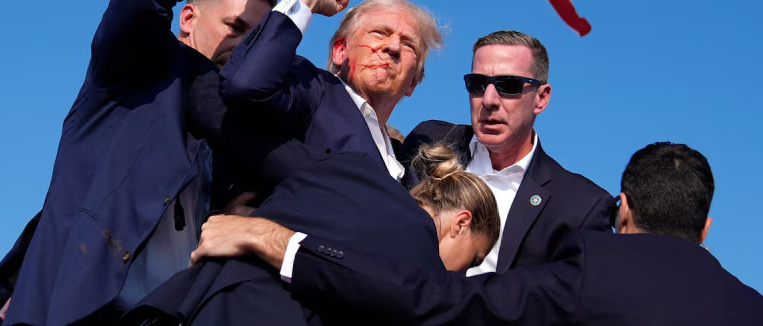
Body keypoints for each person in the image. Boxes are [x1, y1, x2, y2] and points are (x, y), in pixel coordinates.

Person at [0, 0, 351, 325]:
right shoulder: (133, 71)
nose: (244, 46)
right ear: (188, 18)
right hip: (75, 310)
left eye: (255, 39)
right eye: (235, 27)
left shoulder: (239, 128)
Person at [198, 142, 763, 325]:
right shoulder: (749, 307)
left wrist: (276, 240)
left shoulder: (591, 271)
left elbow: (433, 300)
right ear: (706, 228)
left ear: (623, 209)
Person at [122, 142, 498, 325]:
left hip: (183, 305)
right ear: (461, 223)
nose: (460, 275)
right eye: (473, 259)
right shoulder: (420, 253)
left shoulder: (349, 171)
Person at [401, 30, 613, 274]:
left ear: (541, 98)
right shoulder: (428, 138)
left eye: (508, 86)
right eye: (478, 84)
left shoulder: (580, 207)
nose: (489, 99)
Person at [212, 0, 443, 207]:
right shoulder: (312, 88)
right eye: (379, 32)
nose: (393, 47)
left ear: (413, 82)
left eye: (408, 44)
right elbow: (247, 85)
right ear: (340, 51)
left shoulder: (403, 167)